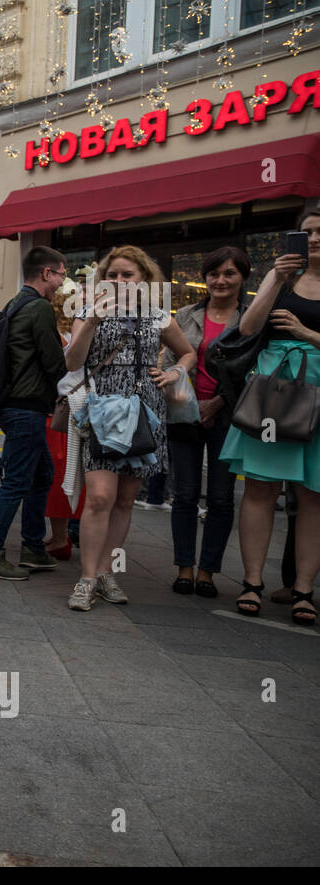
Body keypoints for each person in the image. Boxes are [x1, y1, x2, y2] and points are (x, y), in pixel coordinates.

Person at [63, 246, 194, 611]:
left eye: (127, 275)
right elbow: (73, 362)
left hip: (144, 409)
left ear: (144, 279)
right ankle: (87, 579)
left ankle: (106, 572)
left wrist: (174, 372)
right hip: (103, 409)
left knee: (124, 500)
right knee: (101, 497)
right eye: (112, 275)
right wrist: (91, 321)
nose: (118, 281)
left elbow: (188, 352)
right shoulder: (89, 312)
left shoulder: (157, 317)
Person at [221, 211, 320, 626]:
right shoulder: (280, 277)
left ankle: (303, 590)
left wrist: (306, 333)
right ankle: (252, 582)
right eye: (307, 232)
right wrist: (277, 278)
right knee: (261, 488)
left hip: (318, 387)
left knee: (314, 494)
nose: (313, 238)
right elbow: (247, 327)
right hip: (274, 391)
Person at [0, 246, 68, 579]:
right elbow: (54, 362)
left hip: (10, 403)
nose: (62, 281)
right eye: (61, 274)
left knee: (41, 475)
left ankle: (33, 548)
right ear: (46, 273)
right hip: (26, 406)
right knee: (15, 483)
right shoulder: (39, 307)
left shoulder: (15, 303)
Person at [168, 247, 250, 599]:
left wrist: (216, 403)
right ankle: (185, 568)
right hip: (184, 412)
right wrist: (177, 393)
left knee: (220, 498)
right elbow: (171, 356)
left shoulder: (250, 320)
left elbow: (253, 370)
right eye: (214, 273)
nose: (220, 280)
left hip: (228, 417)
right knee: (184, 495)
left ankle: (207, 572)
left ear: (243, 279)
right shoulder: (185, 315)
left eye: (229, 273)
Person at [45, 285, 84, 558]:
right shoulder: (84, 334)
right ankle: (66, 535)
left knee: (57, 476)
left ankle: (60, 538)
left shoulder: (57, 337)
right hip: (83, 411)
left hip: (59, 412)